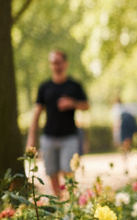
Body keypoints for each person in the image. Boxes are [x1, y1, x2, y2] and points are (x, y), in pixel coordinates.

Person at [26, 50, 90, 198]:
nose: (56, 66)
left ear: (65, 64)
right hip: (49, 137)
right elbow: (37, 113)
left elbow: (86, 105)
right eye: (53, 63)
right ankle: (59, 201)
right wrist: (31, 138)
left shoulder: (74, 86)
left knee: (68, 171)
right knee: (52, 172)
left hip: (69, 137)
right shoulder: (44, 87)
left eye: (58, 62)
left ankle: (70, 201)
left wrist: (72, 103)